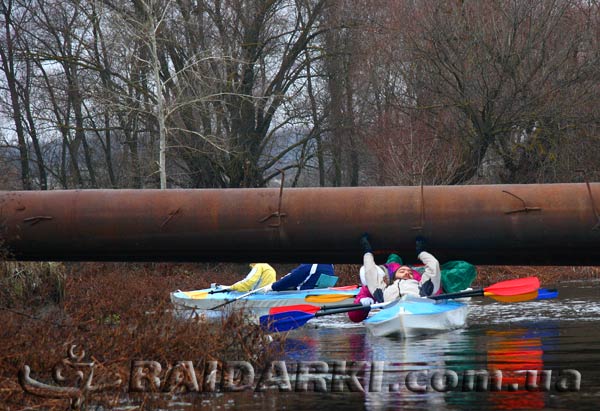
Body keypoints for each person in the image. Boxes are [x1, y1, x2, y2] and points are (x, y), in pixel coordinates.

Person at [348, 234, 442, 322]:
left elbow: (434, 265)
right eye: (402, 271)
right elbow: (370, 272)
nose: (406, 273)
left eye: (410, 273)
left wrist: (421, 252)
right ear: (393, 278)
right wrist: (367, 252)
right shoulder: (382, 291)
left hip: (418, 308)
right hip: (390, 309)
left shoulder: (423, 287)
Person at [263, 263, 336, 292]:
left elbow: (292, 279)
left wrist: (273, 286)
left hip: (306, 296)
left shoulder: (310, 265)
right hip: (322, 295)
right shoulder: (330, 265)